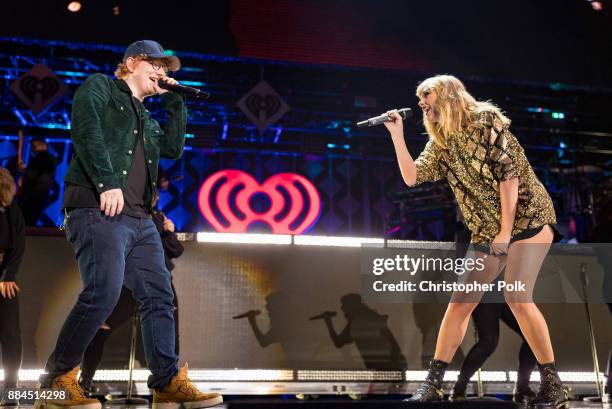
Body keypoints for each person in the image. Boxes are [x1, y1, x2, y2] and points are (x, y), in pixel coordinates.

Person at [35, 40, 222, 409]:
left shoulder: (146, 119)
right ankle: (56, 382)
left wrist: (175, 97)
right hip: (98, 209)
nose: (163, 74)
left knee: (159, 297)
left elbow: (172, 148)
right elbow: (86, 132)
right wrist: (108, 183)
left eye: (168, 70)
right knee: (102, 292)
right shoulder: (101, 87)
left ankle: (166, 383)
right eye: (158, 66)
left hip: (140, 219)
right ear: (134, 62)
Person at [385, 75, 567, 407]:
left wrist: (505, 233)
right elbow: (413, 177)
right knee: (460, 303)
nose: (421, 102)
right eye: (418, 97)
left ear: (449, 95)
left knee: (516, 296)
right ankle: (433, 384)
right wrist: (397, 136)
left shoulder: (485, 120)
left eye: (427, 95)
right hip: (486, 226)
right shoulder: (440, 141)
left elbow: (509, 178)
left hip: (528, 216)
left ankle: (553, 383)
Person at [78, 192, 184, 394]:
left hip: (160, 284)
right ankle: (84, 380)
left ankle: (169, 383)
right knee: (101, 327)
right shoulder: (125, 216)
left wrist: (169, 232)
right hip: (130, 282)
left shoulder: (158, 217)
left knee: (168, 333)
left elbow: (175, 250)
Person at [0, 168, 26, 407]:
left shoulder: (11, 211)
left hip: (3, 279)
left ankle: (10, 390)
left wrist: (8, 273)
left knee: (10, 335)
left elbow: (18, 244)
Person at [17, 135, 56, 226]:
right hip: (38, 194)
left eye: (35, 146)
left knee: (27, 219)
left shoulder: (44, 159)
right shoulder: (45, 158)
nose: (33, 148)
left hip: (34, 194)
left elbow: (38, 175)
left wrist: (25, 170)